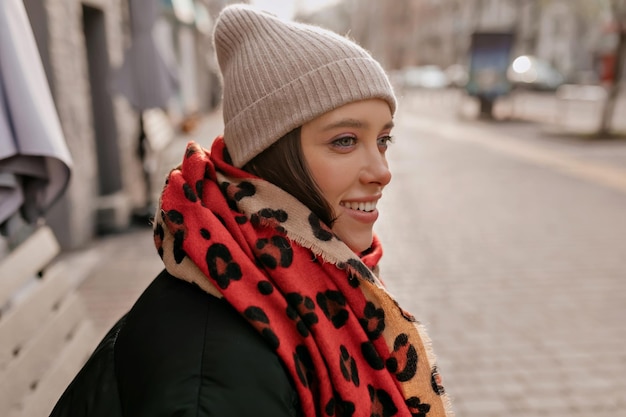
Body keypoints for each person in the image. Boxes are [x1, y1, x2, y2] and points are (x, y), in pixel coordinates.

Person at [49, 5, 453, 417]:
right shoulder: (213, 372)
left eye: (384, 139)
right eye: (345, 141)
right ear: (271, 155)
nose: (382, 172)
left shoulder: (304, 278)